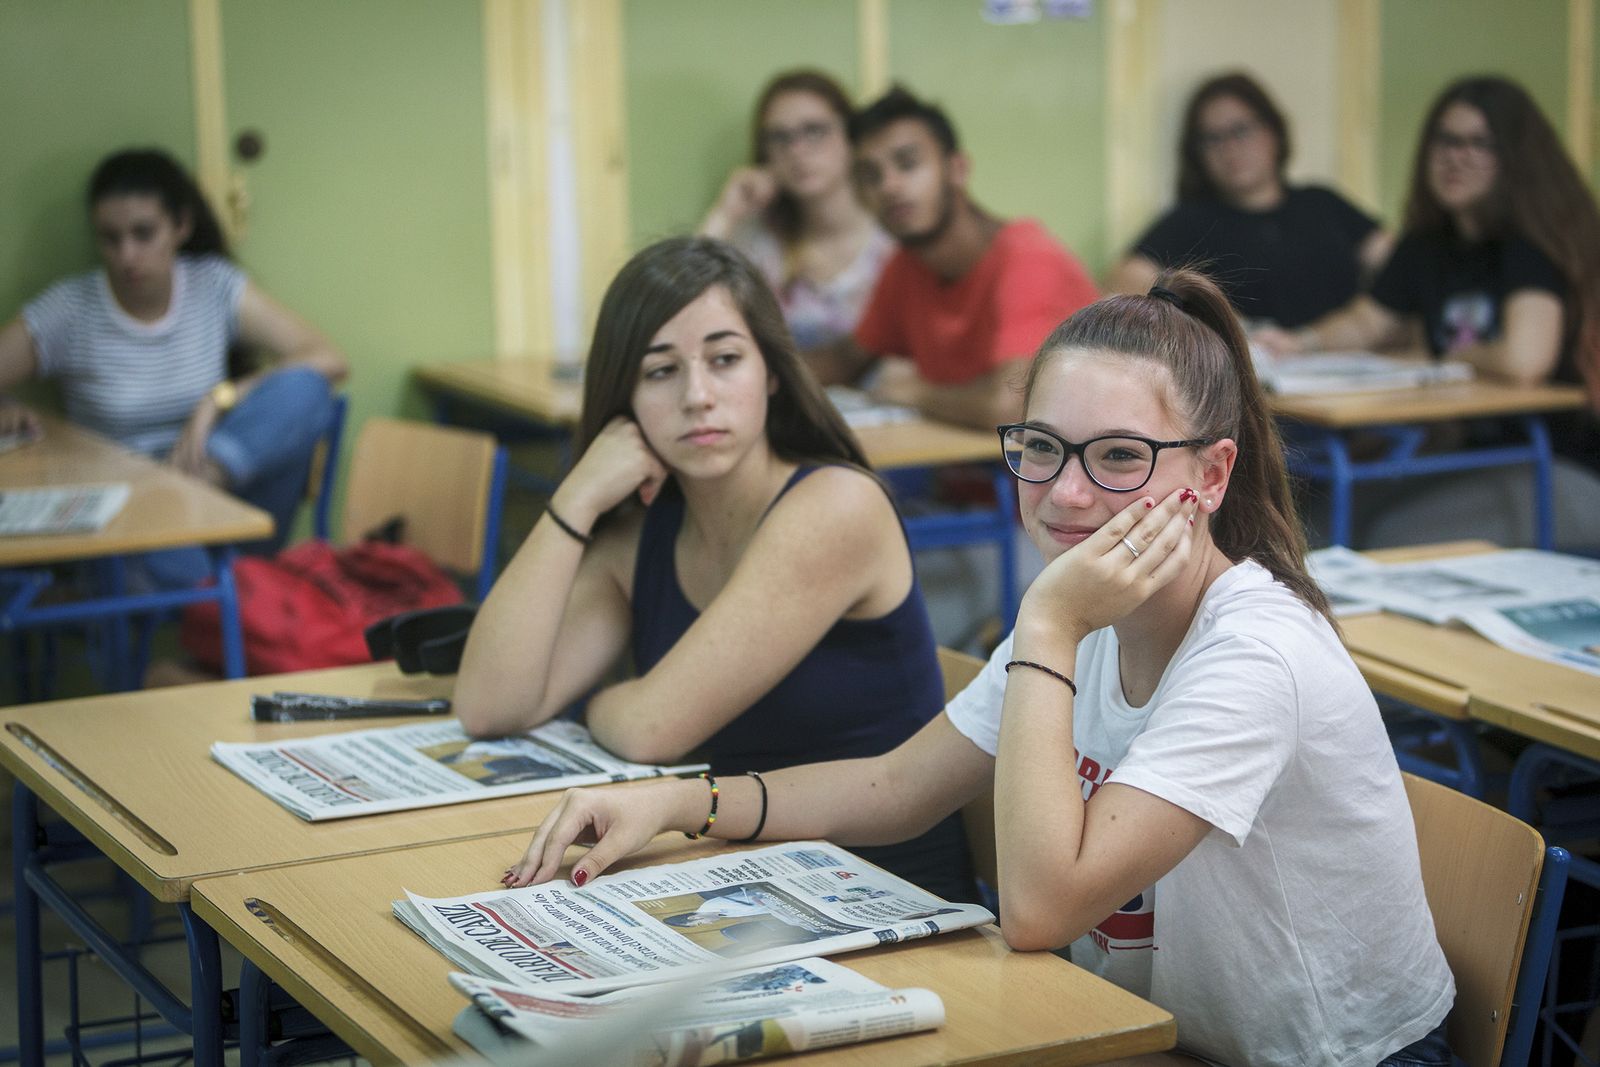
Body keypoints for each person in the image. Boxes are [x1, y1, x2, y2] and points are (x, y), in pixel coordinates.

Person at [507, 270, 1455, 1067]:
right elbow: (892, 786)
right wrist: (680, 803)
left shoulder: (1247, 651)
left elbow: (1040, 908)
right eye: (1040, 448)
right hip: (1146, 1033)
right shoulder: (1084, 607)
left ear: (1210, 475)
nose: (1067, 491)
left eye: (1119, 456)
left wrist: (1046, 624)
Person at [455, 236, 973, 903]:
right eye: (660, 371)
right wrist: (576, 497)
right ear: (625, 397)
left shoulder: (835, 507)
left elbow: (649, 728)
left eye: (725, 360)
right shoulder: (644, 529)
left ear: (773, 373)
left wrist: (598, 700)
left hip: (877, 896)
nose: (698, 396)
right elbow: (490, 704)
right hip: (732, 876)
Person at [1257, 75, 1600, 546]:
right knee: (1313, 520)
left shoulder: (1532, 246)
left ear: (1515, 159)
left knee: (1387, 537)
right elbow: (1367, 321)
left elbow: (1525, 361)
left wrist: (1438, 357)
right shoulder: (1427, 243)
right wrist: (1298, 343)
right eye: (1445, 140)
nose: (1455, 156)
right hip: (1472, 456)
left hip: (1557, 465)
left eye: (1479, 143)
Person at [0, 148, 347, 567]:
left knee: (305, 389)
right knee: (186, 573)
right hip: (132, 520)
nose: (127, 255)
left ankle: (192, 493)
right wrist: (8, 407)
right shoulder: (70, 310)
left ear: (180, 226)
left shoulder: (214, 286)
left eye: (143, 234)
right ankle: (212, 568)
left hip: (221, 496)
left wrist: (221, 398)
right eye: (110, 238)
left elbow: (328, 357)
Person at [807, 86, 1099, 432]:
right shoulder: (907, 264)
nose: (889, 186)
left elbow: (1013, 407)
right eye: (871, 176)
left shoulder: (1029, 259)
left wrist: (915, 392)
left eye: (908, 163)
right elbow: (845, 360)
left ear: (957, 169)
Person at [1110, 72, 1390, 329]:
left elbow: (1396, 263)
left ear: (1274, 131)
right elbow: (1127, 279)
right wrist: (1233, 327)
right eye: (1212, 138)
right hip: (1252, 368)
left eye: (1241, 130)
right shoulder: (1192, 220)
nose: (1229, 148)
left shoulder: (1322, 202)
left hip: (1347, 360)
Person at [699, 69, 892, 352]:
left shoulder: (893, 235)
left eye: (814, 130)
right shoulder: (760, 241)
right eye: (780, 137)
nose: (797, 150)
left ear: (851, 136)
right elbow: (688, 306)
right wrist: (726, 212)